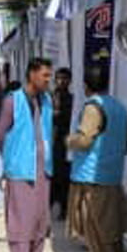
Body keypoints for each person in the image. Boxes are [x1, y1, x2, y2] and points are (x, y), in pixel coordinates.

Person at [65, 66, 127, 252]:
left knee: (97, 231)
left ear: (85, 86)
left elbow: (84, 141)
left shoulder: (93, 108)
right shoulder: (119, 107)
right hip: (112, 174)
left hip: (93, 177)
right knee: (111, 230)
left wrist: (68, 140)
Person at [0, 58, 56, 252]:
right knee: (21, 224)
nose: (47, 79)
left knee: (41, 222)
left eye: (49, 75)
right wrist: (11, 157)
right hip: (21, 171)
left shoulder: (46, 101)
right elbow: (0, 135)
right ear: (31, 74)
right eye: (44, 75)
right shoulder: (13, 101)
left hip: (43, 170)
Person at [49, 66, 75, 220]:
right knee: (51, 177)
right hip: (51, 141)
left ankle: (64, 209)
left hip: (63, 142)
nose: (60, 81)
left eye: (64, 78)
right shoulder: (49, 98)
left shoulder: (71, 99)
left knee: (64, 177)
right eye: (58, 78)